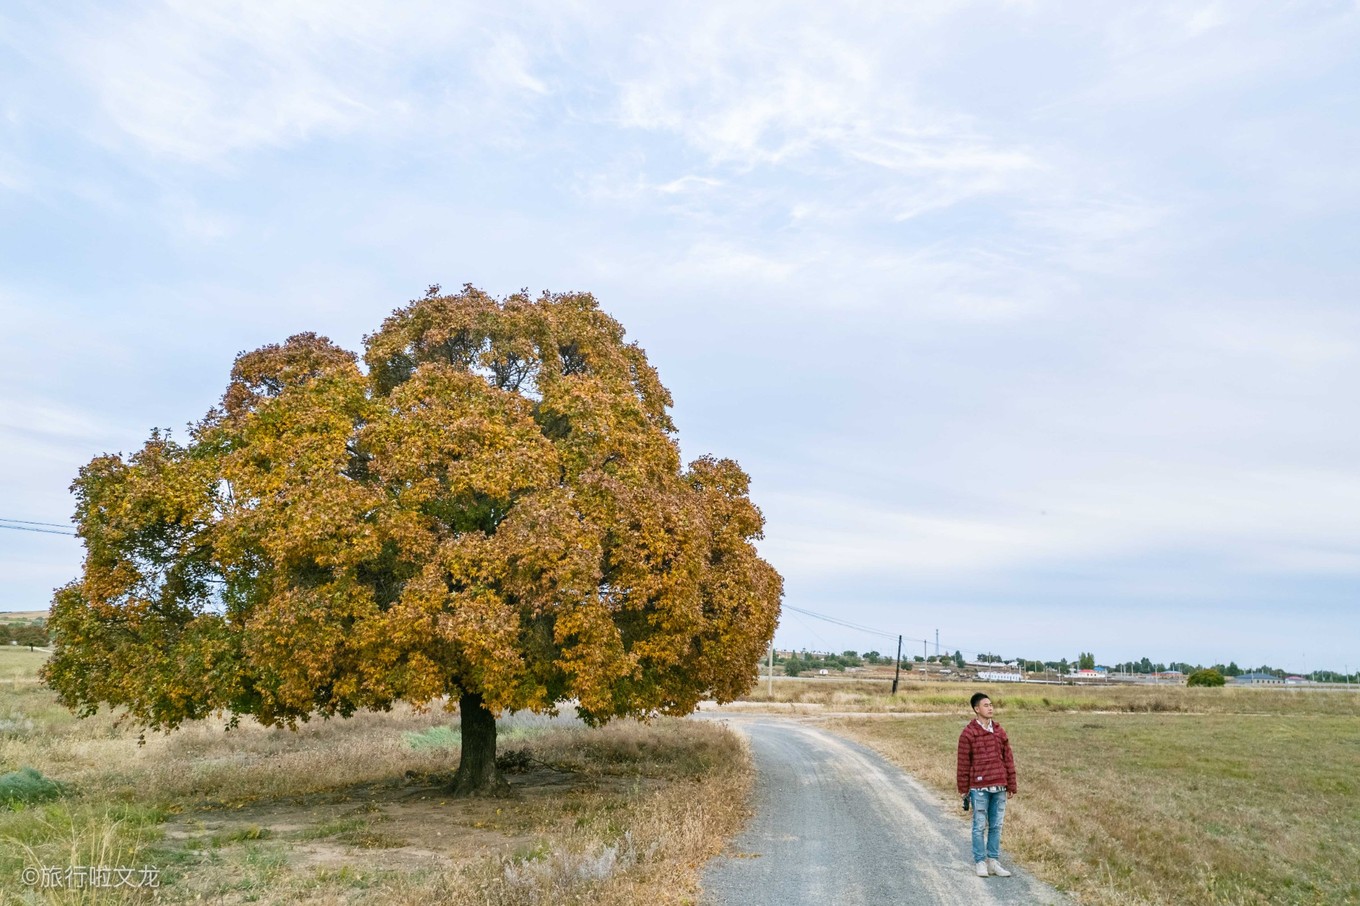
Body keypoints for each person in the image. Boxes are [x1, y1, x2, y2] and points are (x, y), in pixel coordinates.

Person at [956, 691, 1017, 877]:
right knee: (979, 825)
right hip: (979, 788)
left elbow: (1008, 758)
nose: (990, 708)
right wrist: (963, 789)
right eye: (986, 705)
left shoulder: (999, 731)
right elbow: (963, 763)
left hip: (999, 785)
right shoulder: (968, 734)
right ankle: (980, 861)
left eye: (991, 705)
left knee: (996, 825)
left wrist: (1011, 783)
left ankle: (993, 861)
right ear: (976, 709)